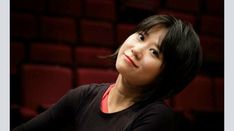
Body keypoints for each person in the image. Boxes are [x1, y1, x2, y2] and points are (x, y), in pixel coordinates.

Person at [12, 15, 202, 131]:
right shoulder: (83, 96)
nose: (136, 49)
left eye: (154, 52)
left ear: (168, 74)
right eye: (141, 36)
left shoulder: (156, 118)